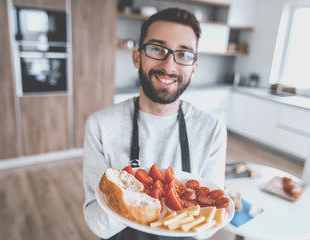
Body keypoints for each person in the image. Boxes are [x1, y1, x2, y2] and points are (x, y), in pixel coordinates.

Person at [83, 8, 227, 240]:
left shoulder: (212, 129)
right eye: (157, 49)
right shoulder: (100, 125)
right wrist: (129, 196)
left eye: (184, 54)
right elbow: (97, 223)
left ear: (194, 67)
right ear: (137, 56)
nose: (169, 66)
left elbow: (207, 228)